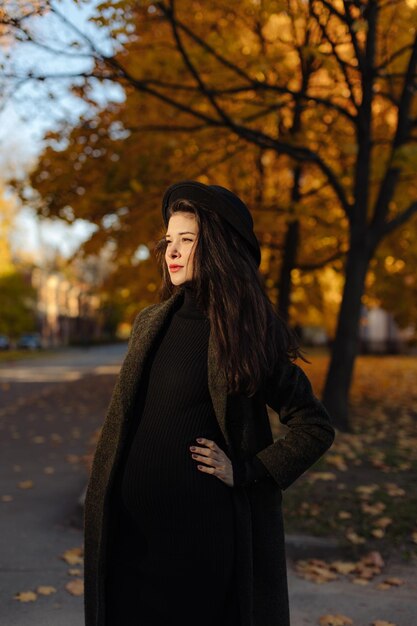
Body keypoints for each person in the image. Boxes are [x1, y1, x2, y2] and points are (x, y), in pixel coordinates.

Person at [83, 180, 336, 626]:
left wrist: (247, 471)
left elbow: (313, 425)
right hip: (128, 537)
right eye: (168, 241)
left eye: (187, 240)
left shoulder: (245, 333)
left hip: (197, 546)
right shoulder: (151, 322)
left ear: (217, 247)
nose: (172, 252)